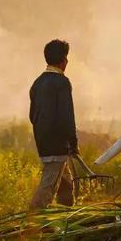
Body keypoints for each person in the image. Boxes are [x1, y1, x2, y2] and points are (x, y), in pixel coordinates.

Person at [28, 39, 79, 210]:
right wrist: (73, 142)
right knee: (49, 184)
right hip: (57, 143)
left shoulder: (37, 83)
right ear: (63, 60)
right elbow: (67, 116)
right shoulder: (62, 83)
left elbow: (32, 116)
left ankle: (66, 215)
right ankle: (33, 218)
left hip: (42, 141)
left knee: (65, 182)